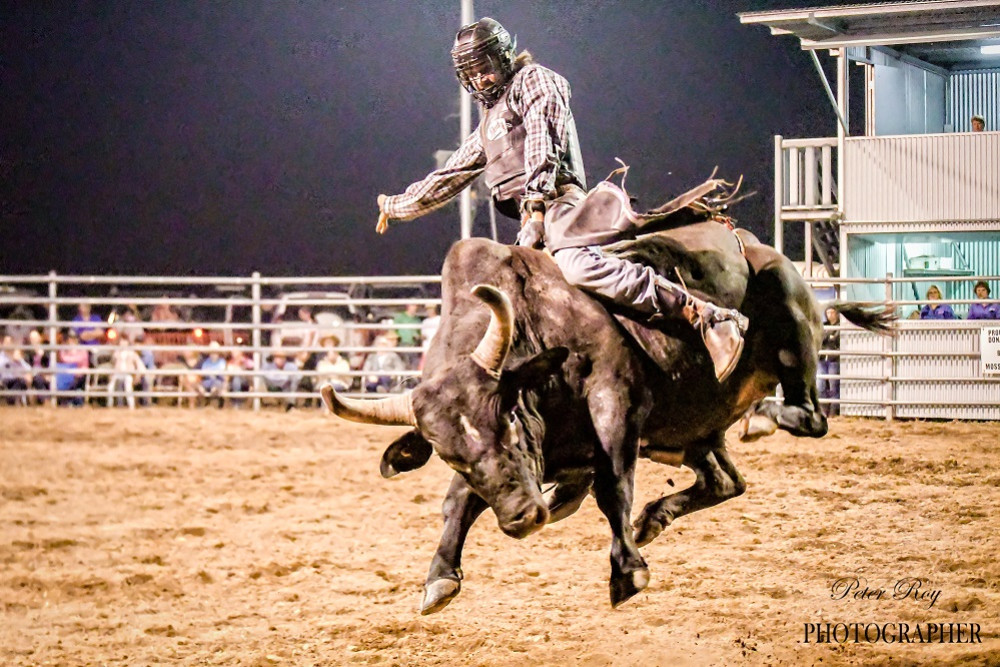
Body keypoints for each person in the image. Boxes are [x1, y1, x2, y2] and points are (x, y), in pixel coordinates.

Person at [373, 17, 747, 382]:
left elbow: (542, 140)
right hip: (531, 215)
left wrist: (535, 208)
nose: (478, 80)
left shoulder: (535, 80)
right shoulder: (491, 119)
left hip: (558, 205)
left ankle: (705, 316)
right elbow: (451, 174)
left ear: (504, 57)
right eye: (469, 74)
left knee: (575, 266)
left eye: (483, 68)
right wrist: (396, 206)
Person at [106, 335, 146, 409]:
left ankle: (131, 406)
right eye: (121, 341)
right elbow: (113, 365)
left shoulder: (132, 354)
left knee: (128, 388)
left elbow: (139, 365)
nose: (123, 343)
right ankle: (109, 404)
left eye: (124, 341)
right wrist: (112, 374)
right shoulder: (116, 354)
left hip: (128, 374)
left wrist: (138, 375)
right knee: (110, 387)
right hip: (117, 373)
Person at [818, 307, 840, 417]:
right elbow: (820, 338)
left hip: (833, 359)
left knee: (833, 386)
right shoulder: (823, 325)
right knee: (820, 385)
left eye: (832, 312)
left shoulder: (840, 326)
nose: (830, 315)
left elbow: (835, 340)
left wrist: (827, 337)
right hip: (822, 359)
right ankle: (823, 410)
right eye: (828, 312)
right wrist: (828, 337)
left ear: (837, 313)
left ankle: (833, 411)